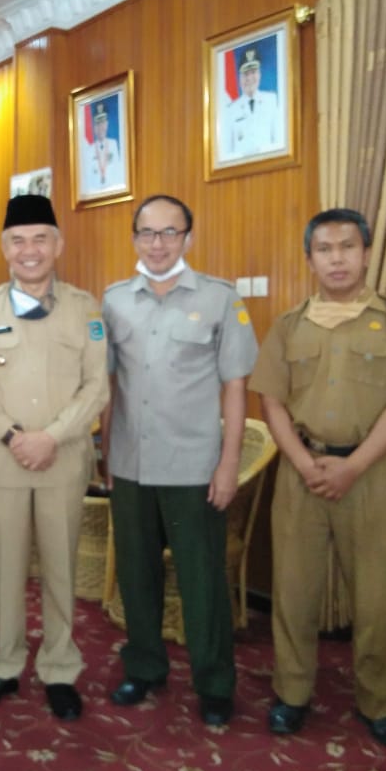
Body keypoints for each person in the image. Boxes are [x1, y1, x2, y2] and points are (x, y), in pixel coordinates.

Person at [248, 208, 386, 750]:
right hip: (300, 473)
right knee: (293, 592)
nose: (337, 258)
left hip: (371, 476)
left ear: (365, 252)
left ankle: (377, 704)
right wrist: (308, 465)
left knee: (376, 598)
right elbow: (272, 401)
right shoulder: (288, 325)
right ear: (310, 258)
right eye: (325, 249)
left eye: (348, 247)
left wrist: (353, 466)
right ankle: (292, 696)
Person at [100, 194, 258, 727]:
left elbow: (236, 388)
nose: (158, 243)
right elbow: (106, 385)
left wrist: (228, 464)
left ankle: (214, 682)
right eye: (147, 232)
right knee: (136, 574)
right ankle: (144, 666)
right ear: (134, 237)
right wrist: (104, 453)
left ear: (188, 237)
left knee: (201, 579)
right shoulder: (114, 300)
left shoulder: (219, 299)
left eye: (170, 232)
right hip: (129, 462)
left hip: (193, 467)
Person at [0, 193, 110, 722]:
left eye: (40, 238)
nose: (29, 250)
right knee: (4, 569)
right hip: (2, 463)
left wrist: (52, 437)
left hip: (62, 462)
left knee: (62, 570)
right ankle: (3, 665)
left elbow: (97, 386)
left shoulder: (86, 308)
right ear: (4, 248)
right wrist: (14, 435)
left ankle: (61, 668)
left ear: (58, 245)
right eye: (18, 240)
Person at [222, 48, 282, 159]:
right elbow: (227, 152)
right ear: (239, 78)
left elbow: (279, 142)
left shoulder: (271, 101)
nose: (249, 78)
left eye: (253, 72)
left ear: (259, 74)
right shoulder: (230, 110)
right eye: (245, 74)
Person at [81, 101, 125, 193]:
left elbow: (119, 173)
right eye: (98, 124)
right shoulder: (89, 149)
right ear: (94, 127)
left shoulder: (114, 144)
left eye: (103, 123)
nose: (101, 127)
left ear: (107, 124)